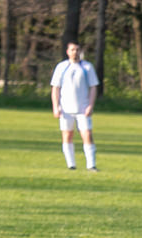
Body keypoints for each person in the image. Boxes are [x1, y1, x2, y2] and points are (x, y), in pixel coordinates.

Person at [50, 42, 100, 171]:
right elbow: (55, 88)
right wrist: (56, 107)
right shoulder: (62, 67)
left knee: (87, 134)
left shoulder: (87, 67)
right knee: (67, 135)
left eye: (77, 50)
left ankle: (91, 165)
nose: (75, 52)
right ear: (67, 51)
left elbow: (93, 87)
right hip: (66, 109)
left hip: (82, 109)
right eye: (72, 50)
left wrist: (90, 105)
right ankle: (71, 165)